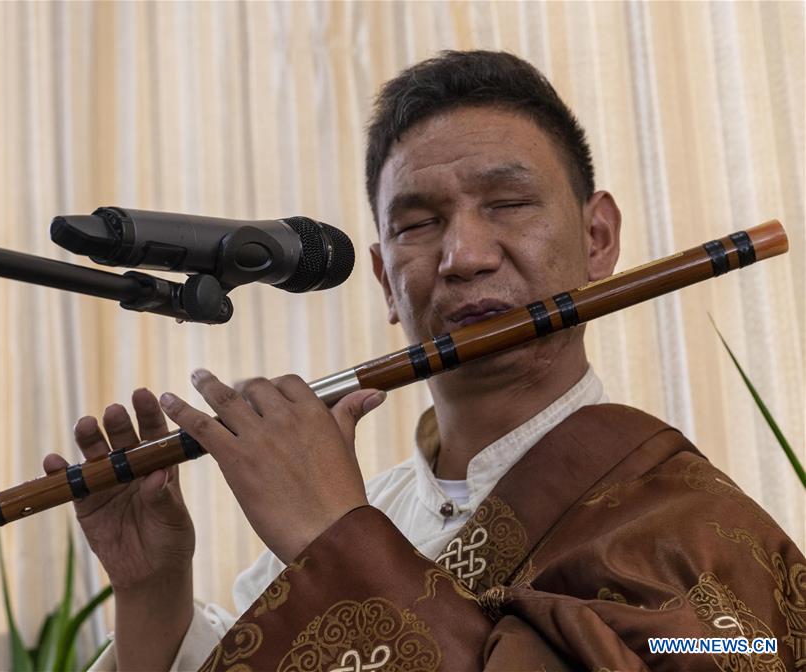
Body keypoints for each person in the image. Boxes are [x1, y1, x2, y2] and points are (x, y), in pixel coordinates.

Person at [48, 51, 805, 671]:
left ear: (598, 237)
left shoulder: (693, 523)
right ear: (384, 278)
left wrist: (337, 542)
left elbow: (730, 650)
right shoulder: (347, 512)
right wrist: (153, 589)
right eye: (418, 223)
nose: (464, 256)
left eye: (508, 205)